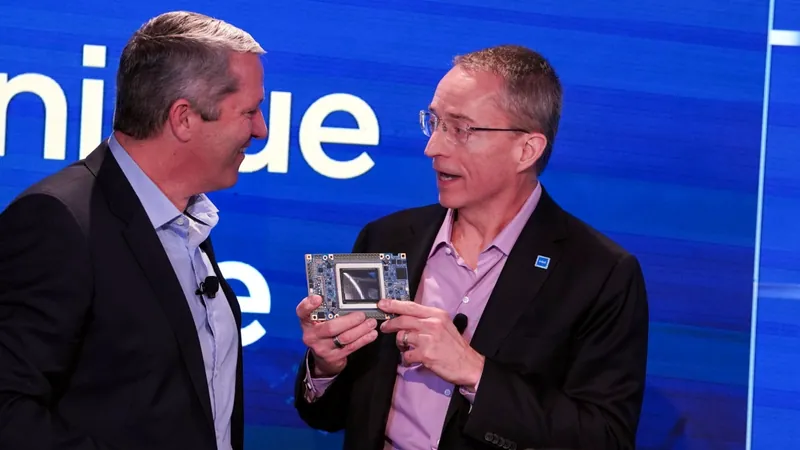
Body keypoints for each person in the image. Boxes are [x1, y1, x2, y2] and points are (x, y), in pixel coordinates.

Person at [293, 45, 649, 450]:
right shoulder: (387, 238)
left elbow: (605, 437)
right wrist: (327, 364)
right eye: (434, 122)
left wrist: (475, 373)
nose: (433, 147)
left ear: (526, 150)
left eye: (461, 129)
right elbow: (328, 415)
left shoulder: (599, 274)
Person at [0, 11, 267, 450]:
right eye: (250, 111)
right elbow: (8, 408)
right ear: (183, 118)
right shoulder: (57, 221)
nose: (261, 130)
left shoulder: (187, 218)